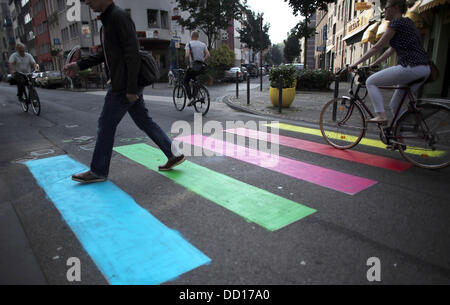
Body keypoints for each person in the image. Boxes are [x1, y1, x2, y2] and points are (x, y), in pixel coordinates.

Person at [64, 0, 185, 184]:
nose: (87, 2)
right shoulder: (106, 22)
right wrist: (79, 64)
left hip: (122, 85)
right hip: (124, 83)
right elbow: (104, 55)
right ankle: (173, 153)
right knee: (144, 121)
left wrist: (130, 88)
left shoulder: (118, 17)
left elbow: (132, 54)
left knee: (105, 124)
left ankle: (98, 170)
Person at [349, 0, 430, 124]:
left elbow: (377, 47)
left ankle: (381, 116)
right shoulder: (408, 23)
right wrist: (374, 63)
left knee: (371, 82)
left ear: (396, 7)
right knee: (395, 105)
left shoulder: (396, 23)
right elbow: (390, 50)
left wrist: (356, 63)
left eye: (386, 8)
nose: (384, 11)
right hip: (424, 69)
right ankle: (399, 138)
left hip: (410, 67)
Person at [184, 31, 210, 106]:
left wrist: (188, 64)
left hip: (193, 67)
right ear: (198, 37)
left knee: (185, 81)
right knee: (196, 81)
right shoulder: (203, 44)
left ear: (191, 36)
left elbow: (187, 55)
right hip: (201, 67)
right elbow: (208, 54)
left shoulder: (189, 44)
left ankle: (191, 98)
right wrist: (202, 60)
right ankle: (194, 96)